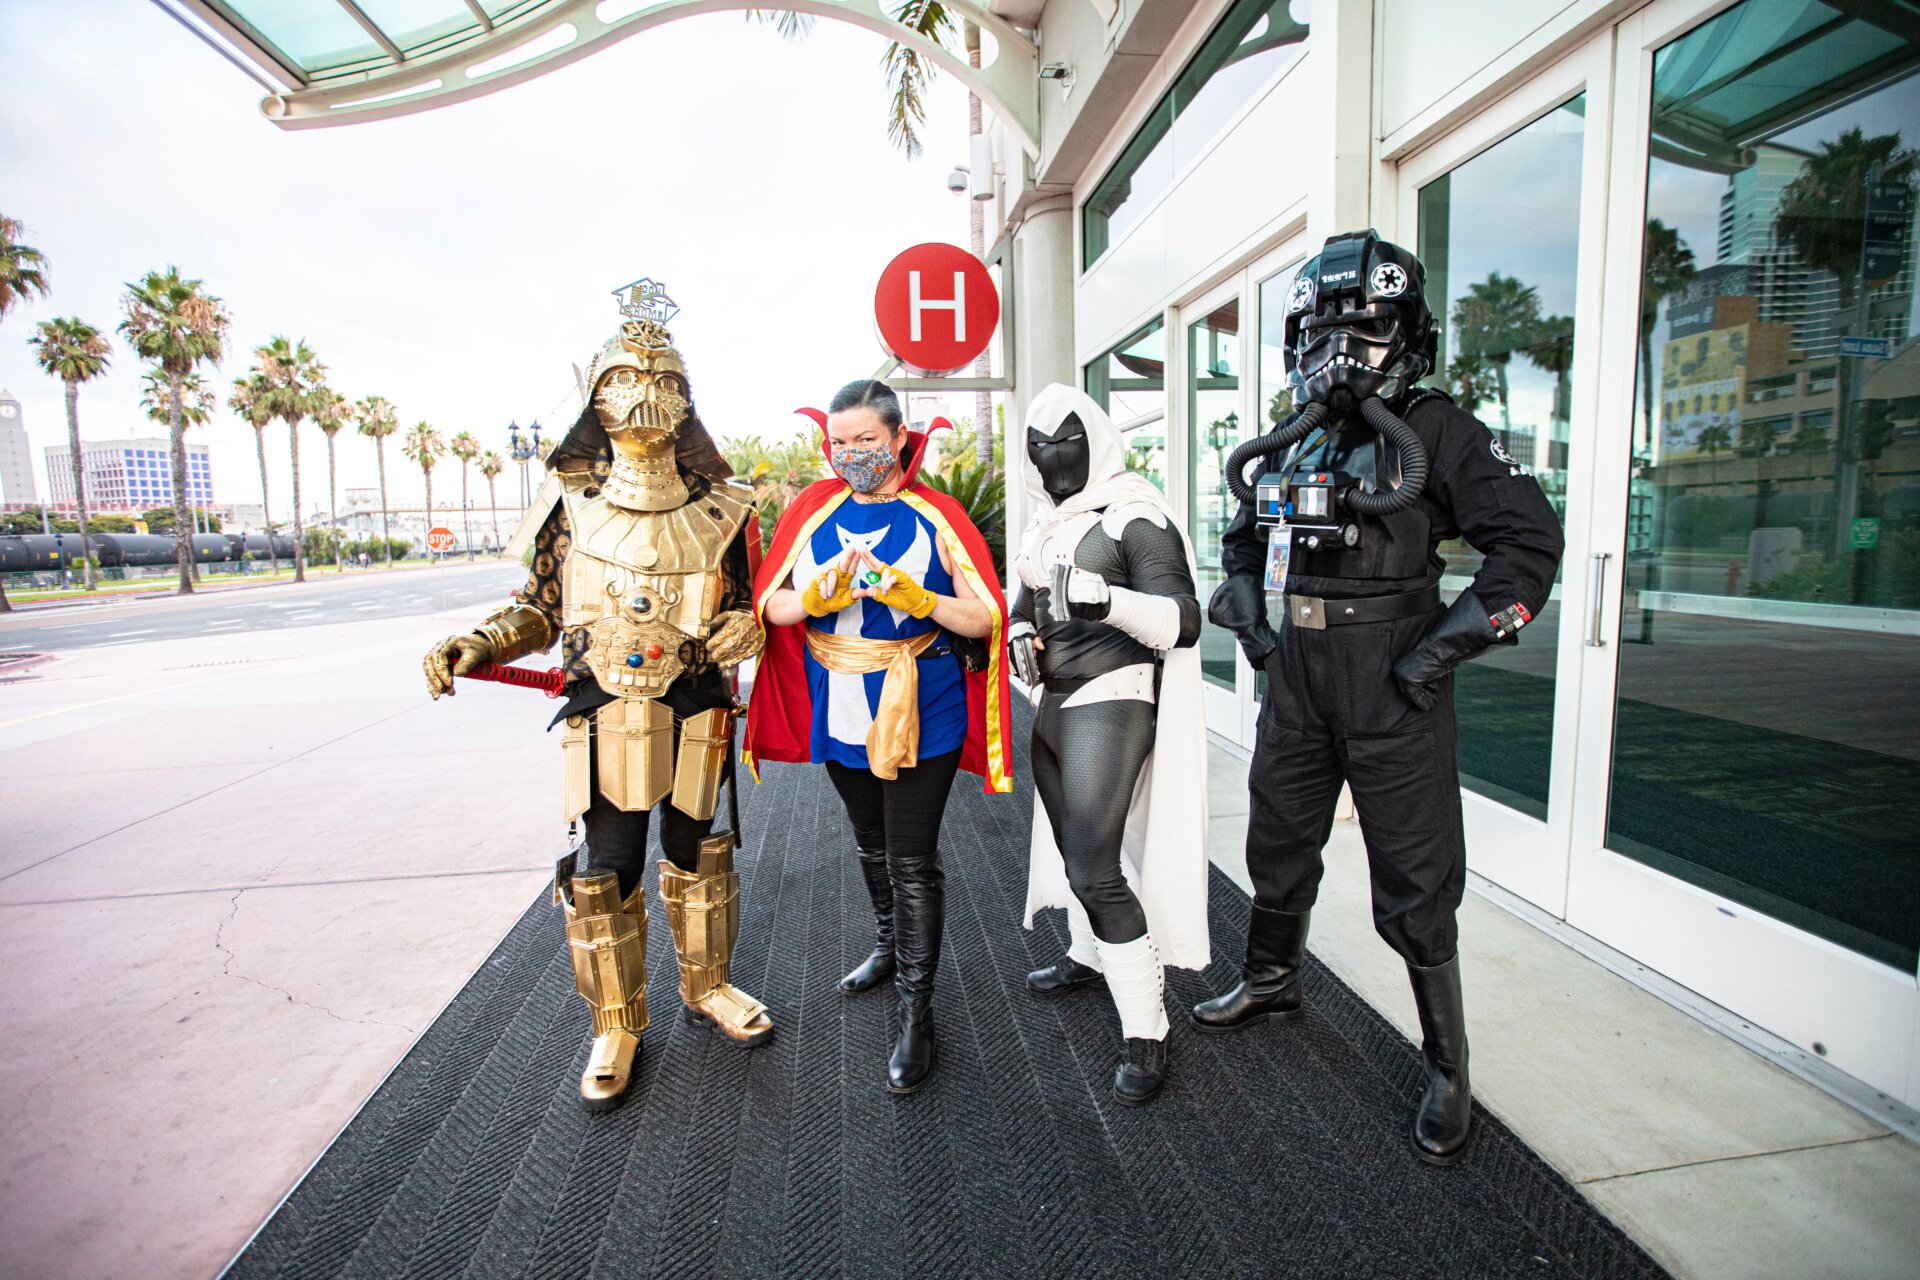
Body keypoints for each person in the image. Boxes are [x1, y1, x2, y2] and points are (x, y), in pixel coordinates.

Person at [1198, 230, 1563, 1165]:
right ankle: (1271, 977)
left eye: (1361, 328)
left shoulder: (1436, 431)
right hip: (1298, 672)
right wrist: (1247, 610)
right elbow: (1243, 535)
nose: (1338, 350)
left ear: (1407, 332)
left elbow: (1528, 544)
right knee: (1277, 835)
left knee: (1414, 870)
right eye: (1321, 331)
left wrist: (1440, 651)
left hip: (1393, 674)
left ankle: (1448, 1066)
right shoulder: (1298, 433)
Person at [422, 287, 771, 1113]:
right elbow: (540, 607)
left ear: (687, 400)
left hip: (695, 703)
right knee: (605, 867)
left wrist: (745, 628)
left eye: (663, 379)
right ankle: (614, 1024)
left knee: (699, 849)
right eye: (624, 377)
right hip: (604, 706)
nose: (645, 392)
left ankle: (708, 985)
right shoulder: (567, 505)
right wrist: (483, 640)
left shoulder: (725, 510)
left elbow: (744, 605)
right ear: (594, 396)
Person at [746, 380, 1011, 1095]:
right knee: (870, 842)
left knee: (912, 859)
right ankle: (890, 946)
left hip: (924, 702)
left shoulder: (938, 515)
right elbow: (771, 603)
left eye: (865, 440)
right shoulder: (811, 509)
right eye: (838, 442)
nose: (850, 453)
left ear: (898, 438)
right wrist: (814, 597)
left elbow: (985, 616)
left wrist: (918, 598)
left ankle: (917, 1011)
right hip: (839, 703)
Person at [1010, 383, 1210, 1107]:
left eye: (1064, 441)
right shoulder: (1046, 525)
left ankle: (1147, 1029)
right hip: (1055, 701)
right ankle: (1090, 955)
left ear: (1095, 440)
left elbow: (1184, 621)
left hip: (1113, 697)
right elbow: (1026, 598)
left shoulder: (1136, 516)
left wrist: (1106, 600)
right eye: (1037, 445)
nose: (1051, 457)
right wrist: (1020, 631)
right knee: (1076, 853)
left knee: (1094, 869)